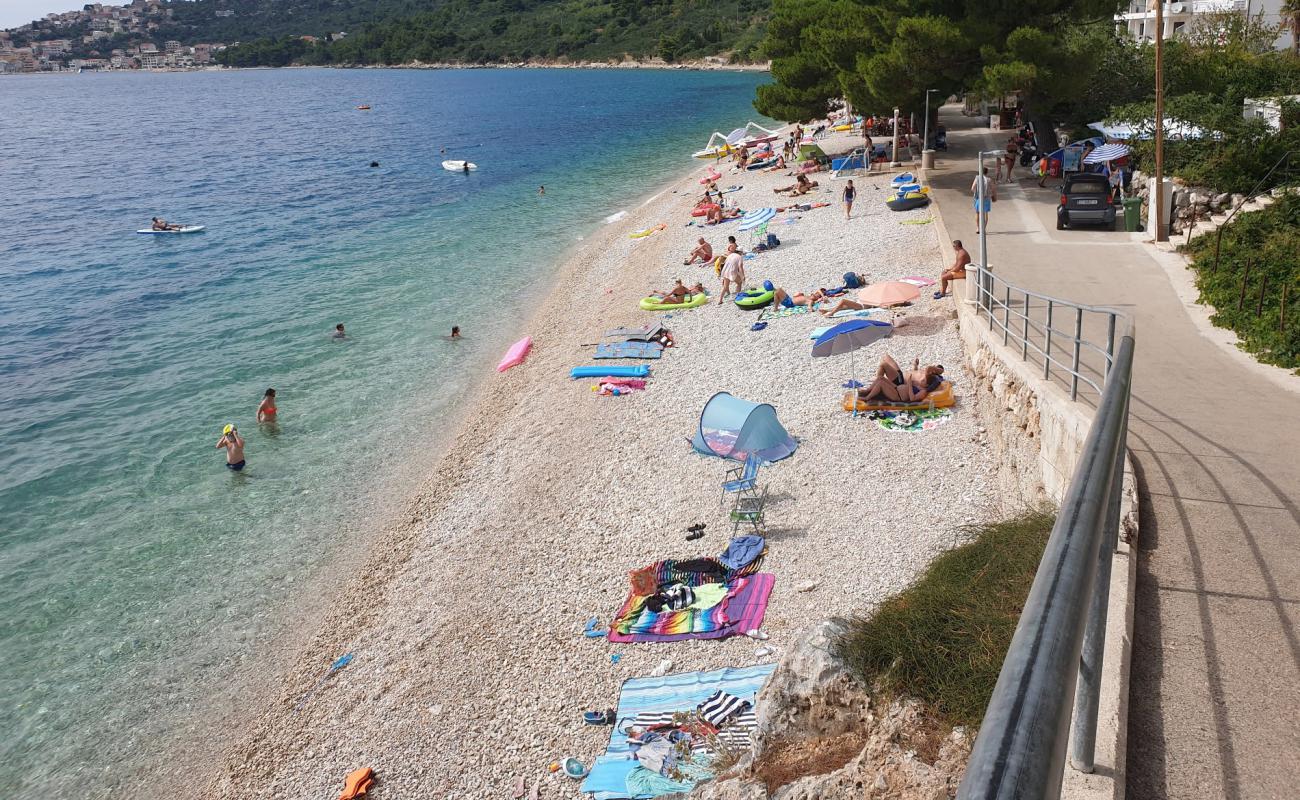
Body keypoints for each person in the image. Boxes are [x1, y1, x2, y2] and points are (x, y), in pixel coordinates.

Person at [857, 355, 945, 403]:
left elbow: (912, 398)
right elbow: (917, 373)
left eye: (935, 369)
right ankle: (869, 390)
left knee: (882, 370)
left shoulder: (925, 384)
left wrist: (909, 384)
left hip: (899, 389)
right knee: (881, 373)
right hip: (898, 384)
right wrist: (915, 366)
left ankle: (868, 397)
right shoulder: (923, 376)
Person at [971, 167, 996, 233]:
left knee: (977, 213)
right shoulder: (989, 180)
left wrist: (976, 193)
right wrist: (993, 195)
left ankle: (978, 228)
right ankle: (983, 229)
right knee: (985, 214)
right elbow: (993, 189)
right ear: (986, 172)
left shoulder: (977, 178)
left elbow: (972, 188)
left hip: (978, 198)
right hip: (986, 198)